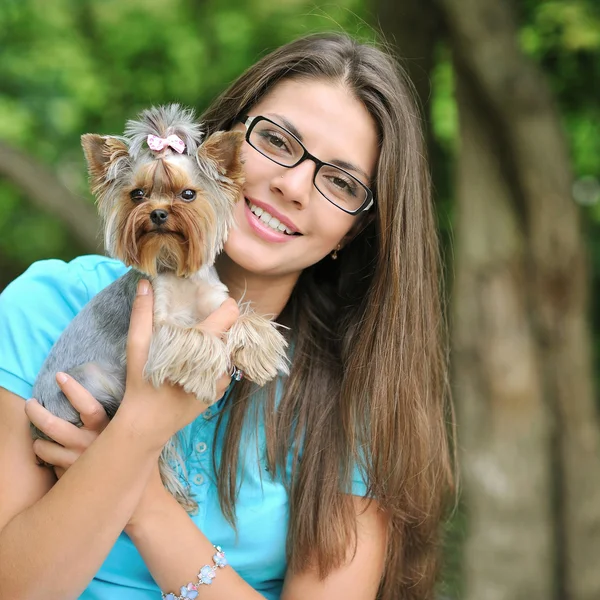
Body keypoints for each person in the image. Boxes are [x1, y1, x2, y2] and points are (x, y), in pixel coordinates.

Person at [0, 33, 454, 600]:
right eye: (278, 142)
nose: (291, 185)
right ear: (220, 149)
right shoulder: (50, 307)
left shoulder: (360, 396)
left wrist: (140, 488)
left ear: (356, 229)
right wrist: (141, 426)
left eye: (341, 181)